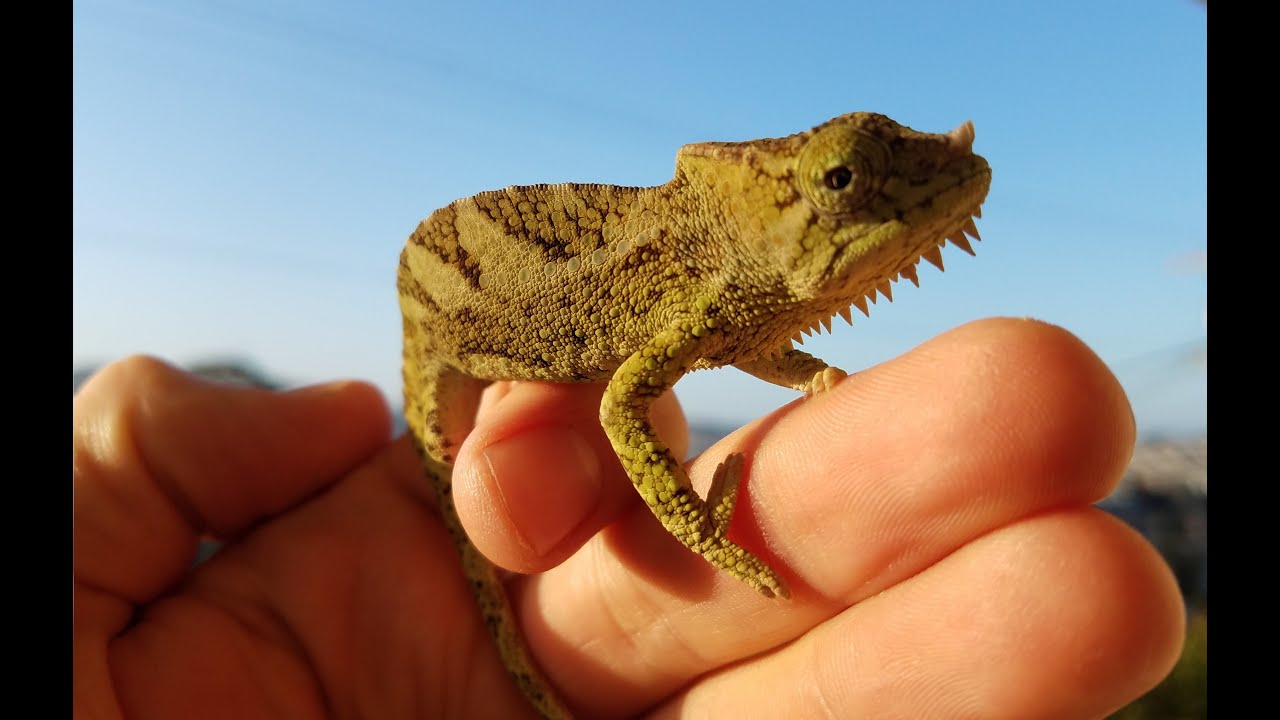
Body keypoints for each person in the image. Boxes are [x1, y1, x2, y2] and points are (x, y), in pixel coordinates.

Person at [72, 319, 1185, 718]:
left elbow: (720, 333)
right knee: (517, 485)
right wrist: (697, 532)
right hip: (462, 324)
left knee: (515, 500)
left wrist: (801, 372)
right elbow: (618, 394)